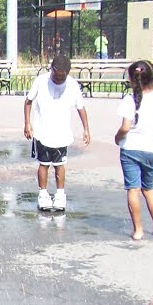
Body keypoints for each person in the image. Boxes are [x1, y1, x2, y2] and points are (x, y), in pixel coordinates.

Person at [114, 60, 153, 240]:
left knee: (133, 189)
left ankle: (138, 230)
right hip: (151, 149)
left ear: (133, 80)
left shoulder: (129, 99)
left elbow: (125, 128)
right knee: (149, 189)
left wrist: (117, 138)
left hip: (130, 149)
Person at [24, 54, 90, 212]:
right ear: (51, 69)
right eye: (56, 75)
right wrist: (27, 123)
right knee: (44, 164)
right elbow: (28, 101)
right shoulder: (41, 81)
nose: (59, 79)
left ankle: (60, 195)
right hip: (42, 131)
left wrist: (86, 129)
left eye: (62, 77)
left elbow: (81, 107)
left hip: (62, 133)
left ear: (67, 73)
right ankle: (43, 194)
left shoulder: (72, 85)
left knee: (60, 164)